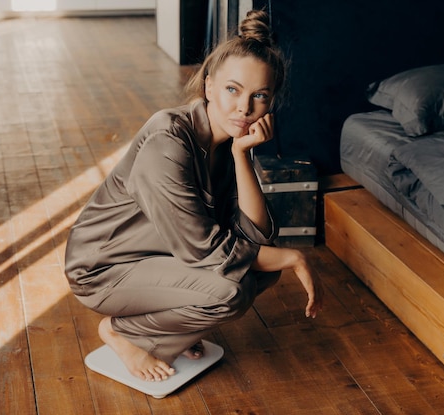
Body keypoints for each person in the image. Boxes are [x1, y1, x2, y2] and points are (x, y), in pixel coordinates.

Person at [64, 9, 324, 383]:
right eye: (233, 89)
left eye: (260, 96)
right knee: (231, 289)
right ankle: (122, 332)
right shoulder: (167, 142)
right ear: (208, 88)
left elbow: (256, 235)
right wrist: (294, 255)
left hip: (161, 255)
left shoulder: (229, 144)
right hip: (106, 268)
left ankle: (166, 331)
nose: (244, 108)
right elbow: (203, 250)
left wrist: (241, 155)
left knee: (260, 273)